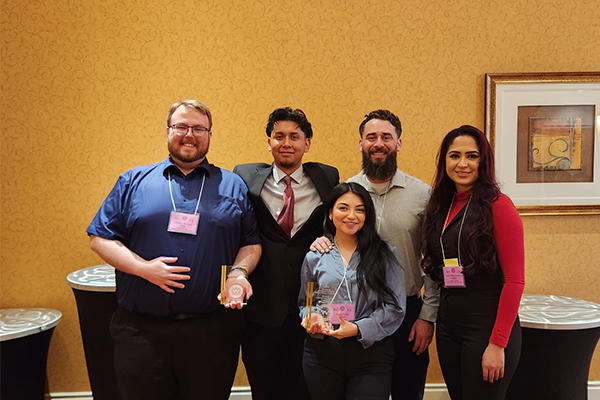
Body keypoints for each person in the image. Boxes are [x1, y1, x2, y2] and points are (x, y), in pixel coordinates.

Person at [86, 99, 262, 400]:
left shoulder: (233, 185)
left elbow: (251, 243)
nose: (189, 134)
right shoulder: (133, 181)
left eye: (198, 128)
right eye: (181, 126)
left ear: (209, 134)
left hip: (210, 332)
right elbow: (100, 238)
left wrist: (239, 273)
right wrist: (144, 269)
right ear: (168, 131)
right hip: (140, 331)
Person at [312, 110, 437, 400]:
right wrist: (321, 241)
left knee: (408, 390)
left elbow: (432, 260)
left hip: (406, 311)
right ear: (360, 144)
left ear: (399, 143)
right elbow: (333, 242)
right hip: (354, 314)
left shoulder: (423, 195)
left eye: (386, 137)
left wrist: (427, 316)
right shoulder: (345, 194)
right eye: (371, 137)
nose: (378, 143)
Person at [234, 107, 339, 400]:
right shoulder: (245, 176)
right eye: (278, 136)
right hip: (261, 310)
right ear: (269, 142)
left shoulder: (328, 177)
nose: (286, 143)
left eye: (295, 136)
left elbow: (338, 223)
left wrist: (326, 238)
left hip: (308, 307)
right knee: (264, 388)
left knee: (307, 388)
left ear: (307, 143)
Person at [421, 125, 524, 399]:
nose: (462, 164)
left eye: (472, 156)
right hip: (449, 323)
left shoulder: (499, 206)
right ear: (444, 161)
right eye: (454, 155)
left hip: (486, 325)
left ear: (483, 161)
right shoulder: (440, 205)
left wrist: (498, 343)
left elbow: (515, 281)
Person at [299, 182, 406, 400]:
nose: (351, 215)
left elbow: (395, 307)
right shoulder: (315, 255)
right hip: (322, 352)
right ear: (330, 213)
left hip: (370, 354)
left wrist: (357, 328)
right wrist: (312, 316)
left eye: (360, 209)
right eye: (343, 208)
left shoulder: (385, 254)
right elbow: (306, 301)